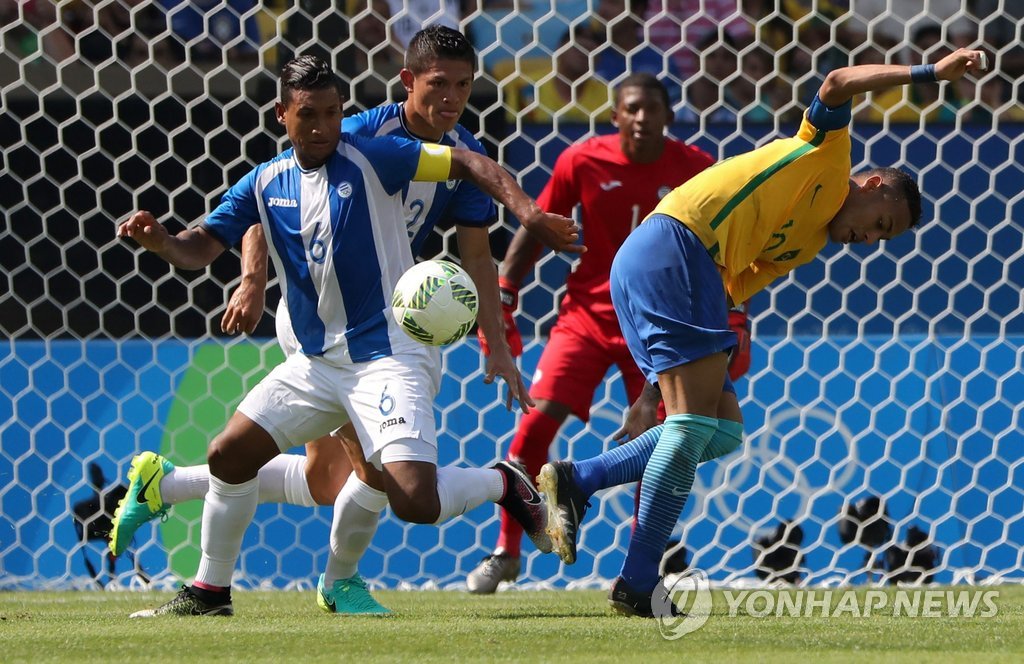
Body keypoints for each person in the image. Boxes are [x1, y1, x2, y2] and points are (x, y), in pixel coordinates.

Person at [116, 52, 583, 618]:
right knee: (230, 456)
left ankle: (501, 483)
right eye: (308, 114)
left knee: (411, 498)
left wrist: (528, 214)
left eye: (333, 113)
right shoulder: (264, 182)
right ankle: (210, 592)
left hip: (386, 355)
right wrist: (163, 242)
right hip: (315, 361)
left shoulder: (374, 155)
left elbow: (469, 164)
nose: (322, 128)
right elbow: (199, 247)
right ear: (281, 116)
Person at [537, 48, 988, 617]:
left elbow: (727, 294)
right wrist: (928, 73)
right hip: (676, 245)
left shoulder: (809, 242)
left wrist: (652, 388)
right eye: (880, 224)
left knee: (721, 431)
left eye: (883, 239)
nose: (872, 239)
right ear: (871, 184)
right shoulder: (825, 153)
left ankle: (583, 479)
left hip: (675, 271)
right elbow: (839, 79)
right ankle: (637, 580)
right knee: (691, 427)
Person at [467, 73, 725, 593]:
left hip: (657, 324)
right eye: (631, 108)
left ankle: (648, 564)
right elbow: (535, 224)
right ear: (615, 115)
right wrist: (507, 292)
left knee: (668, 438)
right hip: (585, 316)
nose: (641, 118)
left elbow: (719, 246)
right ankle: (506, 551)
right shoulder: (581, 160)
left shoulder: (696, 168)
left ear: (668, 117)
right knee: (535, 426)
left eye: (652, 108)